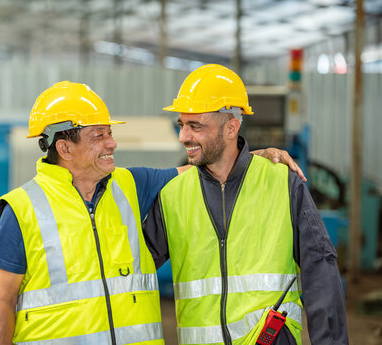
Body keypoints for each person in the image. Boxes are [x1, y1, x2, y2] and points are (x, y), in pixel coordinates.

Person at [0, 81, 305, 345]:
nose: (112, 143)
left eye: (109, 133)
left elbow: (196, 171)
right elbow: (1, 302)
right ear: (64, 148)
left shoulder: (128, 185)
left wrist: (251, 156)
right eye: (98, 136)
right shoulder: (24, 208)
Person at [143, 64, 348, 345]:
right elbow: (131, 273)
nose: (183, 137)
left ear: (231, 127)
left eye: (195, 126)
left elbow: (320, 271)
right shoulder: (172, 195)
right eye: (182, 125)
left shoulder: (282, 183)